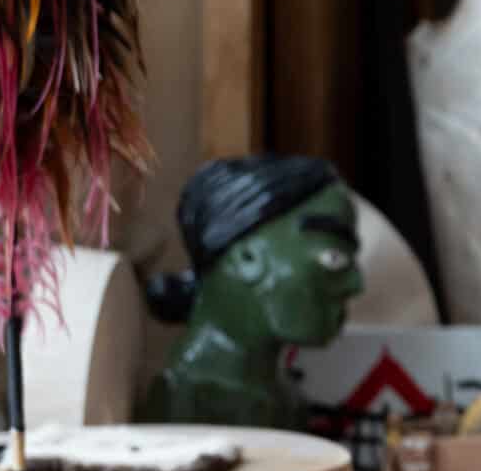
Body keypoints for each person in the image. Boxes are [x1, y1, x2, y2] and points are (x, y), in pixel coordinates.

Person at [140, 154, 365, 429]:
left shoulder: (287, 399)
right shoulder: (185, 396)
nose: (357, 283)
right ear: (248, 258)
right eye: (333, 258)